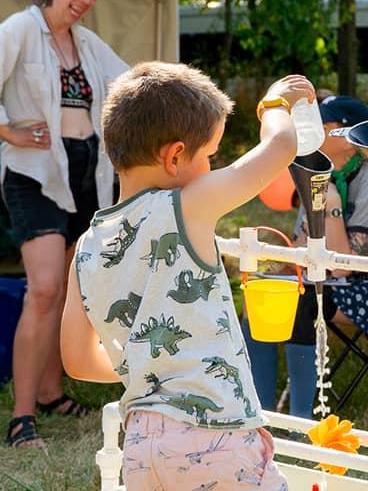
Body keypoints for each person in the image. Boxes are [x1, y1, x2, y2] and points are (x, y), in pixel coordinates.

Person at [60, 61, 313, 489]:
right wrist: (276, 103)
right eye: (211, 155)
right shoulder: (186, 206)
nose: (214, 167)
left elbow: (78, 362)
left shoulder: (85, 247)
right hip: (216, 431)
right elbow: (281, 147)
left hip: (140, 446)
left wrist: (149, 366)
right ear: (174, 156)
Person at [245, 95, 368, 418]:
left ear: (346, 134)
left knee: (303, 304)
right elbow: (302, 248)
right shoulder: (314, 171)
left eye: (321, 124)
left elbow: (342, 267)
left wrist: (333, 203)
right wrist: (280, 271)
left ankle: (301, 418)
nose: (310, 130)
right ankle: (259, 410)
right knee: (263, 301)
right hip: (327, 275)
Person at [1, 0, 128, 448]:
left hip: (88, 173)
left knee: (71, 289)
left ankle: (53, 393)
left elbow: (133, 81)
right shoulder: (18, 30)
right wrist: (8, 131)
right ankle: (21, 417)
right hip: (34, 173)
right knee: (44, 289)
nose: (86, 0)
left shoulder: (87, 43)